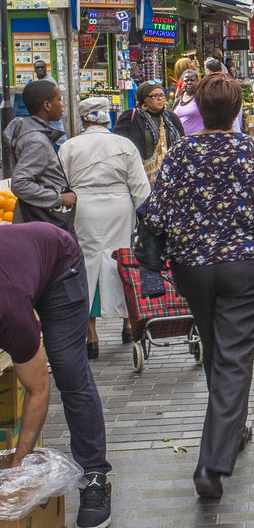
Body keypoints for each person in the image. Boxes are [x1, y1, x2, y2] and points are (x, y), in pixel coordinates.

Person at [143, 74, 254, 500]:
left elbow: (158, 211)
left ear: (199, 110)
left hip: (194, 267)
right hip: (245, 265)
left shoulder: (182, 153)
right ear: (238, 109)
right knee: (234, 356)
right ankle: (212, 461)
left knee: (215, 347)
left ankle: (230, 429)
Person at [0, 222, 113, 528]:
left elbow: (38, 389)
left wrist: (16, 472)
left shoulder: (8, 312)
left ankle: (94, 477)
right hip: (20, 262)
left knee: (68, 369)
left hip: (60, 263)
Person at [58, 97, 150, 359]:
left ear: (84, 119)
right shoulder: (124, 144)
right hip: (119, 208)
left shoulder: (69, 146)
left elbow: (61, 183)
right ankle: (129, 324)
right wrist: (147, 219)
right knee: (120, 260)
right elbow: (141, 189)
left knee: (85, 265)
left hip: (83, 208)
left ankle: (91, 336)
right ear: (107, 118)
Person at [3, 80, 76, 225]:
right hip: (43, 220)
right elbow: (20, 183)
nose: (62, 105)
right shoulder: (37, 141)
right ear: (47, 105)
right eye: (59, 100)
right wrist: (59, 198)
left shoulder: (35, 134)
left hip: (39, 217)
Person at [112, 82, 184, 186]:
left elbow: (181, 141)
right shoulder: (131, 117)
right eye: (155, 96)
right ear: (144, 99)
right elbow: (118, 143)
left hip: (170, 177)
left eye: (162, 95)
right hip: (140, 178)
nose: (160, 99)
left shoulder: (171, 118)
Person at [173, 69, 203, 136]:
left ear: (197, 82)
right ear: (182, 84)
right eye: (186, 81)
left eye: (192, 80)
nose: (189, 82)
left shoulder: (202, 98)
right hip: (182, 140)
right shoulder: (178, 100)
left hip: (199, 140)